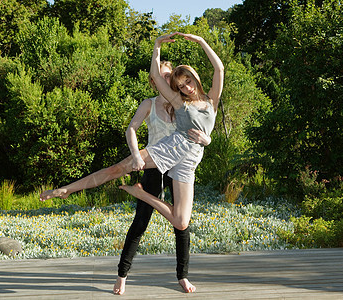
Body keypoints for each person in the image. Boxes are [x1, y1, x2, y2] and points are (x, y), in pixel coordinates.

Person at [40, 31, 224, 291]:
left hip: (188, 163)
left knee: (182, 223)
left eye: (187, 82)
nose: (185, 87)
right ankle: (66, 189)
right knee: (118, 169)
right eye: (180, 84)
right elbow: (158, 81)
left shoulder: (211, 101)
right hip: (169, 150)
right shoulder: (178, 102)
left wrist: (201, 41)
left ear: (195, 78)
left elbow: (219, 68)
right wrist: (157, 46)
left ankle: (140, 194)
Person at [114, 61, 211, 295]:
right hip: (153, 166)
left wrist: (207, 140)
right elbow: (131, 129)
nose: (168, 81)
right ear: (154, 79)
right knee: (140, 222)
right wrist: (136, 156)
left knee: (182, 225)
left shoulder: (185, 104)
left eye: (171, 77)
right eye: (163, 76)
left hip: (179, 167)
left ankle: (183, 276)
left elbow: (205, 127)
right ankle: (122, 276)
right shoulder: (149, 104)